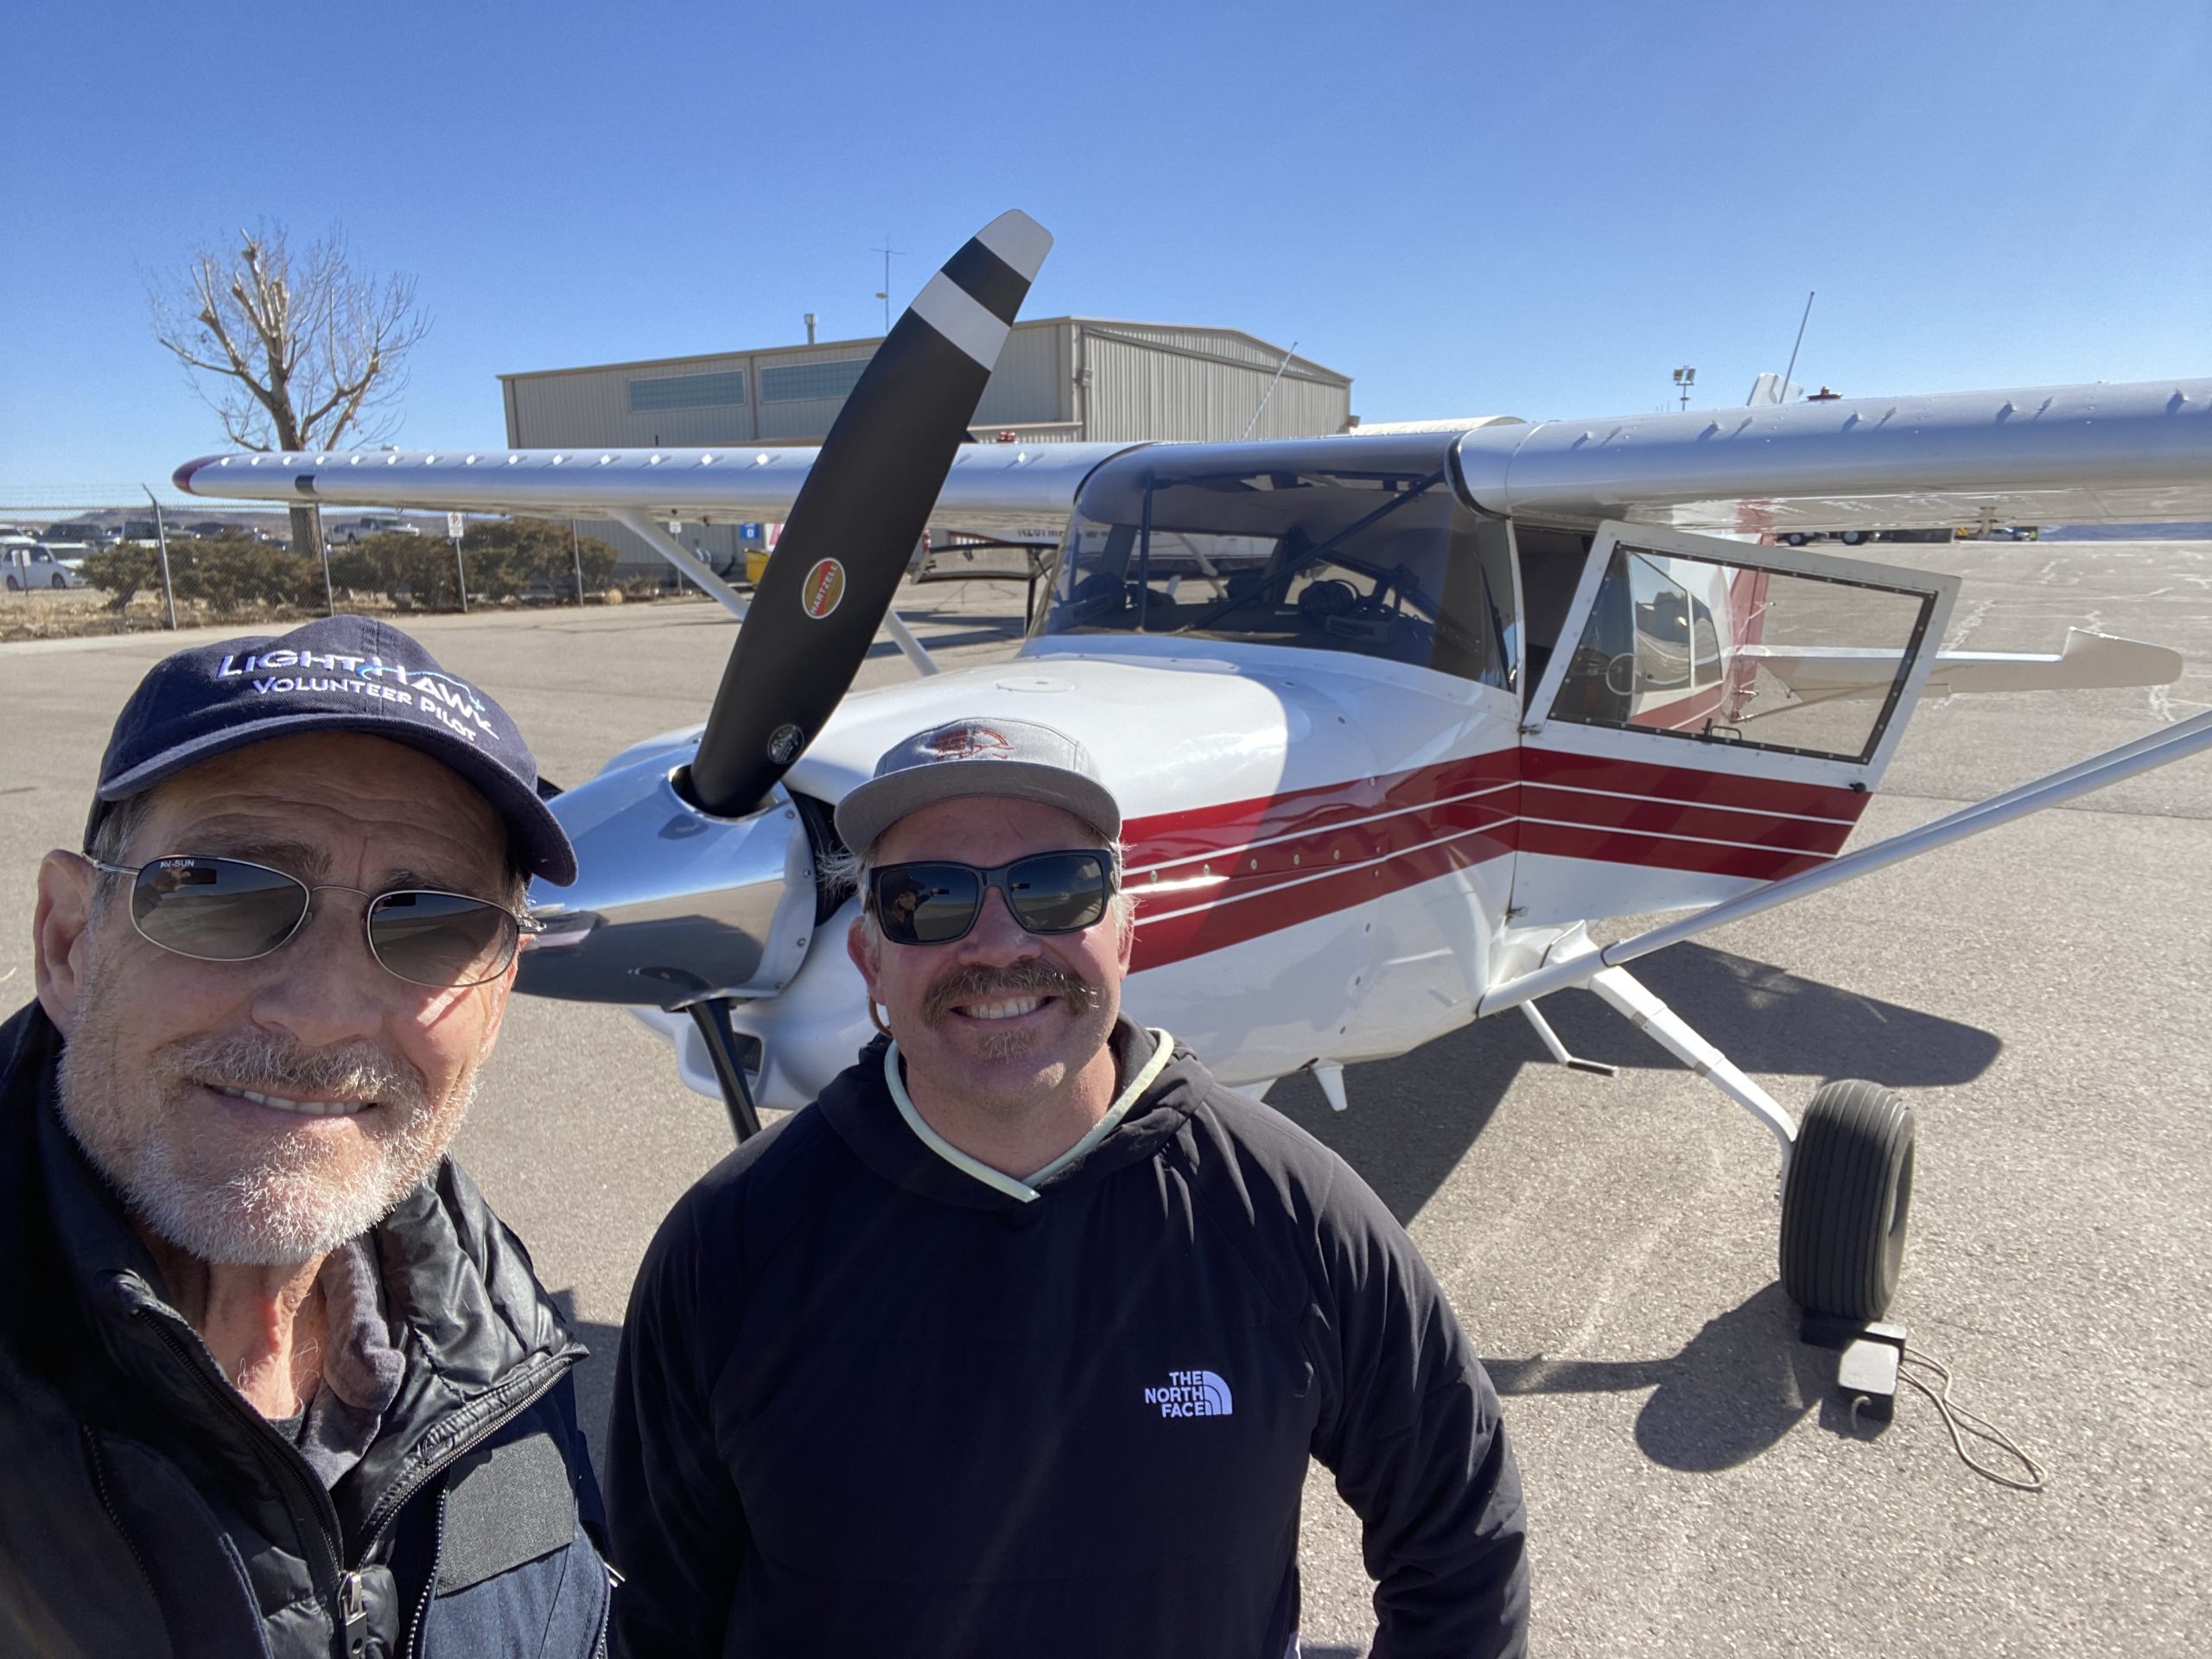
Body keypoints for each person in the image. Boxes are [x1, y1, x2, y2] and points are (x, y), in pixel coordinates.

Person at [608, 716, 1529, 1657]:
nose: (999, 943)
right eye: (929, 899)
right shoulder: (729, 1247)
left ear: (1126, 932)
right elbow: (662, 1609)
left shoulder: (1293, 1216)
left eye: (1056, 888)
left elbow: (1461, 1540)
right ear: (870, 961)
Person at [0, 616, 613, 1658]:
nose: (326, 1009)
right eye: (225, 893)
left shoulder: (496, 1320)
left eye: (428, 922)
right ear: (68, 941)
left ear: (497, 996)